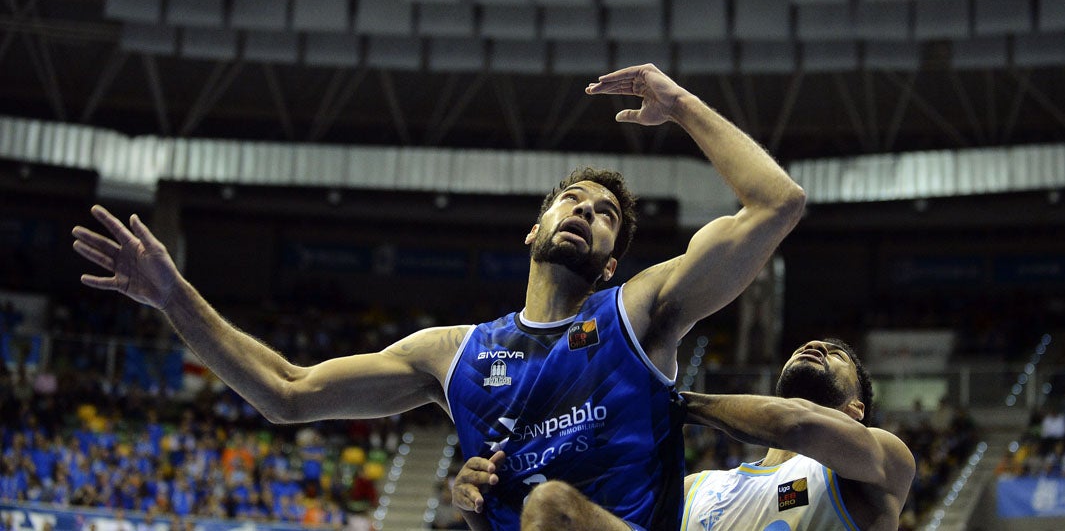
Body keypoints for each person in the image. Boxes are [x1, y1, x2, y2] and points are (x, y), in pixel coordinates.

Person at [72, 64, 806, 531]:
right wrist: (172, 294)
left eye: (603, 213)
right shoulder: (456, 354)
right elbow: (286, 392)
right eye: (571, 201)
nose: (584, 211)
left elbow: (776, 203)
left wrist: (677, 102)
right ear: (534, 228)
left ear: (612, 262)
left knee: (549, 506)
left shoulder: (640, 312)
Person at [454, 338, 915, 531]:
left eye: (836, 355)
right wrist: (483, 503)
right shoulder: (698, 487)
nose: (817, 346)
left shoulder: (882, 461)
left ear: (856, 410)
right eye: (814, 346)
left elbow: (796, 423)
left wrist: (679, 403)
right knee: (552, 506)